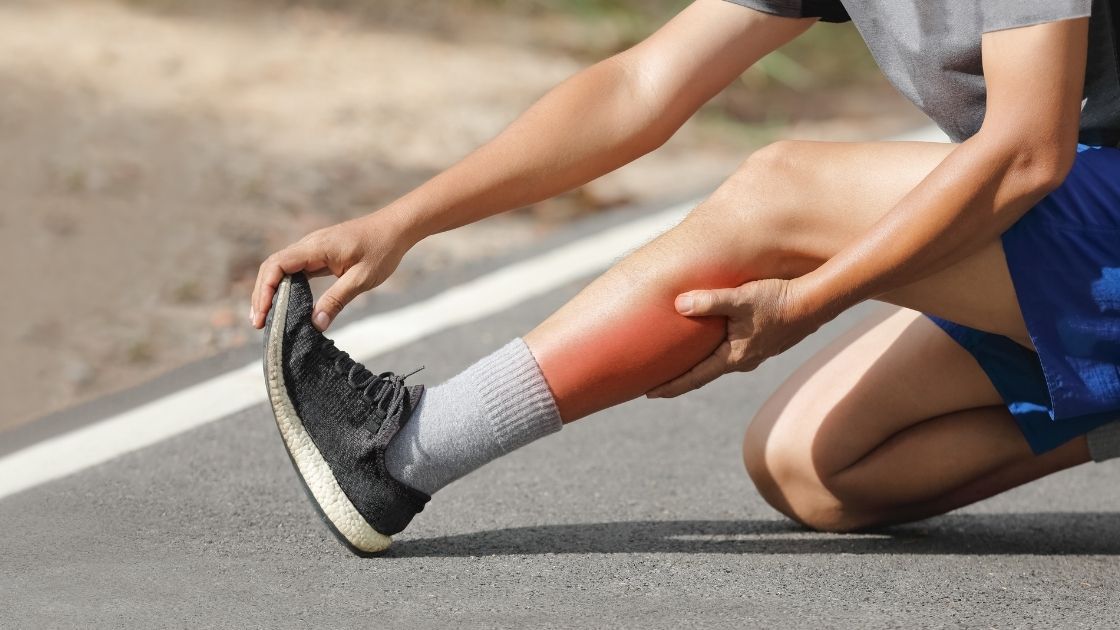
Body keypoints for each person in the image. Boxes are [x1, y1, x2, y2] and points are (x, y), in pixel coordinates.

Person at [250, 0, 1120, 554]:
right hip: (1087, 211)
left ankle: (404, 452)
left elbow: (1024, 150)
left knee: (783, 192)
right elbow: (640, 85)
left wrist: (813, 296)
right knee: (813, 470)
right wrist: (403, 221)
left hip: (1073, 181)